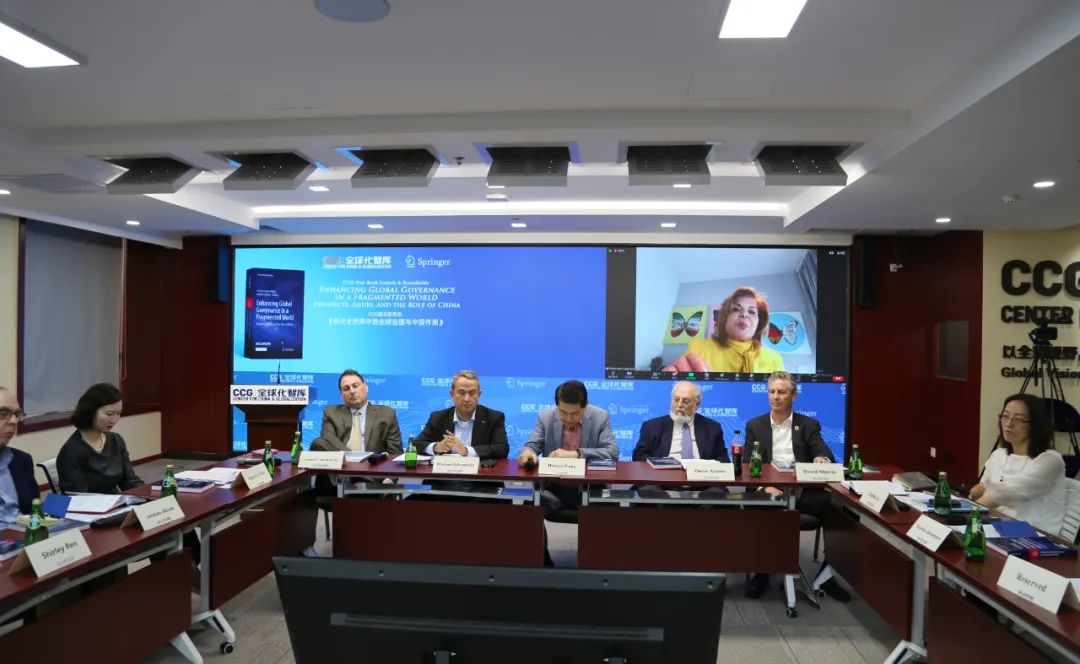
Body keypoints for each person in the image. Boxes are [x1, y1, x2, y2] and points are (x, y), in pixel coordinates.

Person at [742, 371, 849, 602]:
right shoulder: (755, 426)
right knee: (759, 508)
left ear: (794, 395)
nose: (775, 397)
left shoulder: (808, 424)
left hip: (803, 492)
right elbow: (747, 464)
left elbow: (822, 450)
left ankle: (828, 575)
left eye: (781, 392)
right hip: (770, 490)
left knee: (838, 511)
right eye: (772, 392)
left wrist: (822, 459)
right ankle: (761, 572)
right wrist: (764, 488)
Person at [970, 393, 1066, 535]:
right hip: (998, 525)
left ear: (1035, 425)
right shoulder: (998, 455)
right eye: (1005, 416)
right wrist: (976, 497)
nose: (1009, 423)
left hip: (1033, 534)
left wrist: (970, 515)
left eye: (1019, 419)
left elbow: (1002, 494)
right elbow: (978, 493)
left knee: (968, 536)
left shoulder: (1050, 460)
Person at [518, 380, 618, 513]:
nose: (568, 418)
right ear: (557, 406)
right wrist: (527, 453)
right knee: (528, 508)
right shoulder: (545, 417)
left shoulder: (600, 417)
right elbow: (532, 445)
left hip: (590, 486)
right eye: (563, 412)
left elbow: (612, 453)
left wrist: (576, 454)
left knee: (610, 511)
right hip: (554, 487)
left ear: (586, 405)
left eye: (575, 414)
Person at [664, 287, 785, 374]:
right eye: (736, 309)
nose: (744, 314)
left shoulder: (774, 359)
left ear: (759, 323)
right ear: (724, 318)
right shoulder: (698, 347)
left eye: (752, 312)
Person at [57, 383, 144, 494]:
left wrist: (149, 493)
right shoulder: (72, 450)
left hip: (116, 501)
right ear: (90, 412)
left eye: (118, 413)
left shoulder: (116, 440)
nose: (114, 420)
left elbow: (129, 481)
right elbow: (77, 495)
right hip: (89, 503)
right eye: (109, 414)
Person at [415, 370, 509, 460]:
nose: (466, 399)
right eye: (461, 393)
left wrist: (466, 451)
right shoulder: (438, 417)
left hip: (479, 470)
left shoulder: (494, 418)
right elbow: (416, 445)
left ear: (479, 395)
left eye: (472, 393)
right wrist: (436, 447)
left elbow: (502, 449)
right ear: (452, 394)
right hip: (445, 470)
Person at [310, 370, 402, 455]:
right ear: (341, 395)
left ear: (366, 388)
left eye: (355, 386)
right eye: (346, 388)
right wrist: (354, 459)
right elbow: (328, 441)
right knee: (318, 443)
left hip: (373, 465)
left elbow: (395, 453)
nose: (352, 391)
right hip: (343, 465)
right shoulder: (331, 412)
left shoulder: (386, 414)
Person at [632, 381, 729, 462]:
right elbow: (638, 457)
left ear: (697, 405)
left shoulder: (712, 428)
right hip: (664, 476)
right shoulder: (652, 427)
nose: (679, 405)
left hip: (701, 476)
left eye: (685, 401)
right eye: (676, 399)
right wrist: (661, 463)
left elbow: (724, 460)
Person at [0, 387, 38, 528]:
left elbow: (35, 509)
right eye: (3, 414)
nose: (14, 421)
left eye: (17, 414)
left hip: (25, 535)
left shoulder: (21, 460)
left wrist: (65, 502)